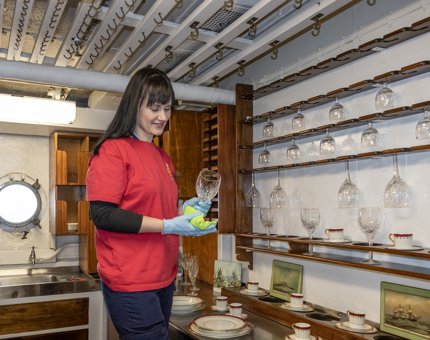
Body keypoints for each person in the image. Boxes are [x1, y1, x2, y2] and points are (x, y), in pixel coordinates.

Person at [86, 67, 217, 340]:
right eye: (154, 108)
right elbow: (103, 215)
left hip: (164, 276)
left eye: (167, 109)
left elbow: (160, 213)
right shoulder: (112, 151)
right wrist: (170, 225)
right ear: (135, 106)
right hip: (131, 279)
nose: (162, 117)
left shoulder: (162, 156)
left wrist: (185, 211)